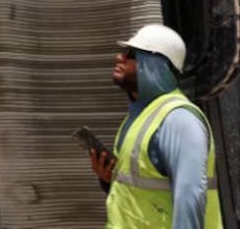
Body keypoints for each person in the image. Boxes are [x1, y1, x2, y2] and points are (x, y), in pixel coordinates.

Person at [88, 24, 222, 228]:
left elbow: (190, 197)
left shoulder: (179, 119)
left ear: (156, 64)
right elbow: (144, 194)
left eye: (131, 54)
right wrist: (109, 180)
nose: (119, 58)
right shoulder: (140, 118)